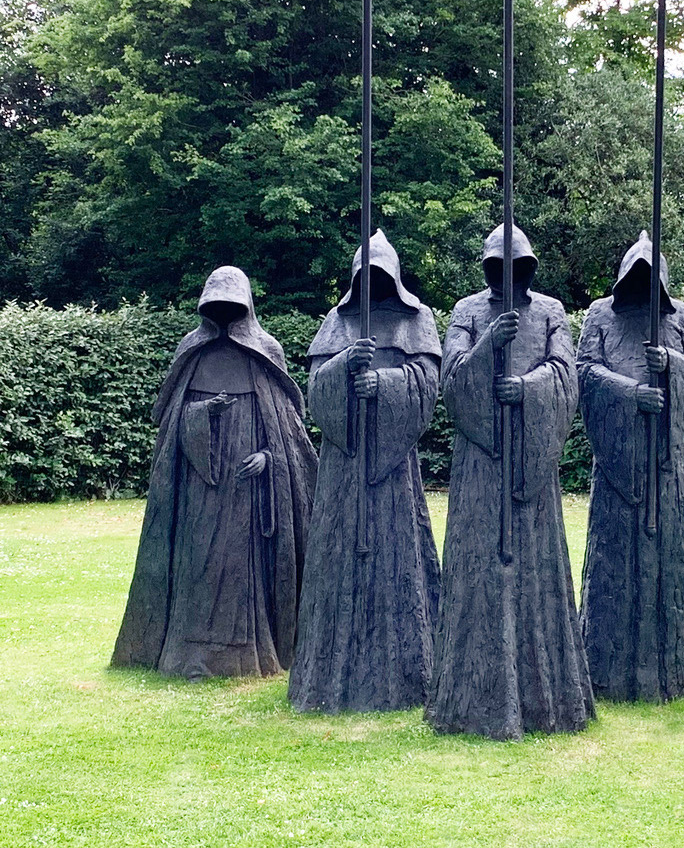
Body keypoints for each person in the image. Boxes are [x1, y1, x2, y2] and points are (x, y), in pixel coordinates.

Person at [426, 223, 594, 740]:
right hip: (480, 463)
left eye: (515, 265)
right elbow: (451, 380)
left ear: (527, 266)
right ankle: (470, 696)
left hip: (531, 463)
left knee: (535, 568)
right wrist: (487, 348)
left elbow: (565, 374)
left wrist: (524, 386)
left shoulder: (550, 311)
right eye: (497, 265)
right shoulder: (467, 312)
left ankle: (544, 694)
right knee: (478, 565)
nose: (507, 274)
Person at [112, 266, 318, 679]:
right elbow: (172, 424)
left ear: (246, 306)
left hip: (247, 494)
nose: (225, 313)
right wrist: (204, 412)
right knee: (197, 566)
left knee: (240, 572)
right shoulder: (192, 352)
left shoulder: (265, 351)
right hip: (199, 493)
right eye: (217, 305)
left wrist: (267, 458)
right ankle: (189, 654)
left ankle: (246, 655)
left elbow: (287, 434)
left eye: (232, 305)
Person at [288, 231, 441, 712]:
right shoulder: (336, 322)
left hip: (394, 470)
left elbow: (427, 386)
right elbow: (316, 391)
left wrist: (384, 382)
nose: (373, 281)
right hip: (343, 465)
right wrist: (343, 365)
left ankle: (404, 677)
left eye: (380, 274)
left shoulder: (417, 320)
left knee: (399, 560)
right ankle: (328, 676)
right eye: (366, 274)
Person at [578, 232, 684, 703]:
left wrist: (671, 363)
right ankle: (606, 668)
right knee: (612, 559)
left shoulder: (681, 318)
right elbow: (585, 373)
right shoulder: (599, 315)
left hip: (665, 462)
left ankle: (676, 668)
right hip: (617, 459)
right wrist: (631, 392)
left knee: (669, 562)